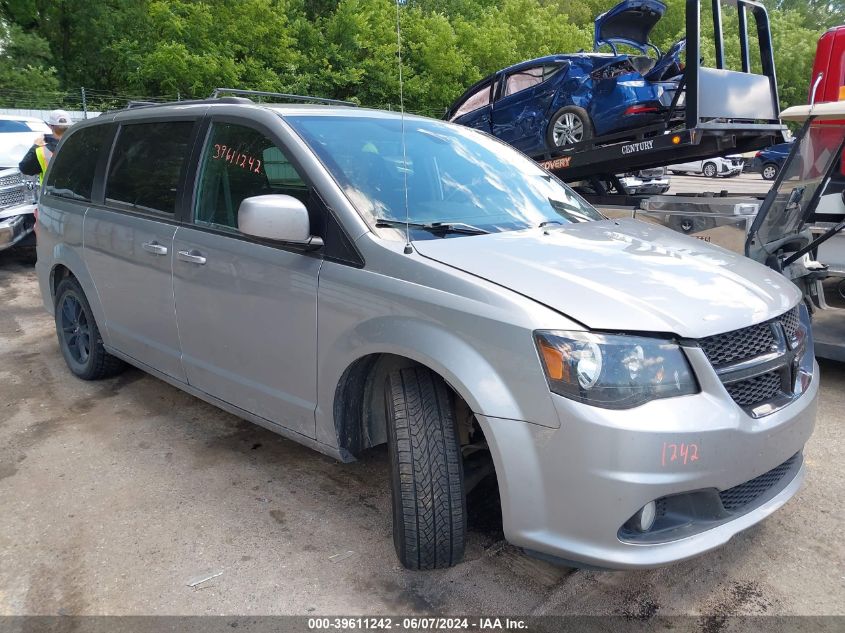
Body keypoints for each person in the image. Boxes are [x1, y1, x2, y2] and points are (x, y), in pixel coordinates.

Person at [18, 109, 72, 183]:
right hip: (78, 192)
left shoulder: (41, 151)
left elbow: (25, 169)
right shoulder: (82, 146)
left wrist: (35, 146)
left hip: (51, 192)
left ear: (50, 126)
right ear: (69, 126)